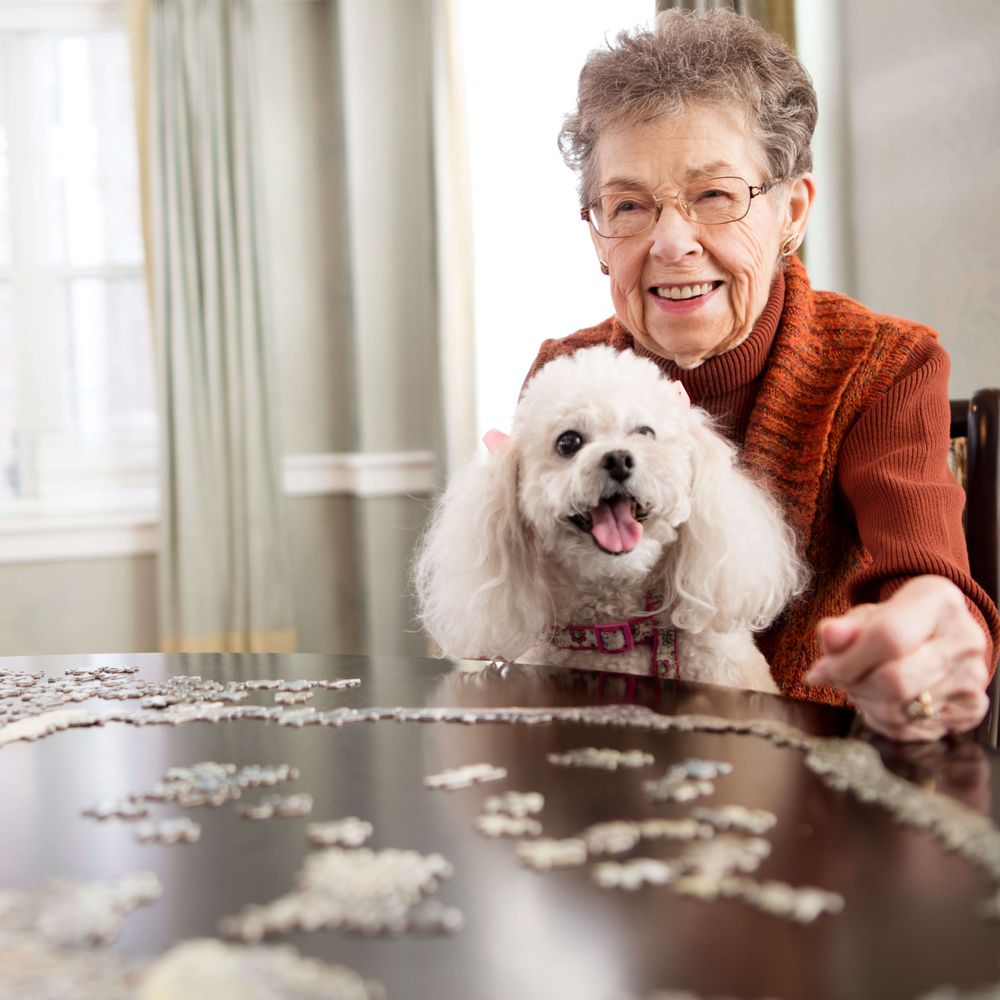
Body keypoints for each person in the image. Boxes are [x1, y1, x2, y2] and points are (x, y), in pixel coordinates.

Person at [524, 9, 1000, 742]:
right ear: (596, 234)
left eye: (716, 195)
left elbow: (922, 570)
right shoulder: (563, 373)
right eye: (628, 206)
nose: (672, 243)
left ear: (791, 213)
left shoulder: (883, 366)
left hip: (826, 782)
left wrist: (928, 634)